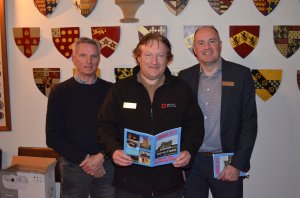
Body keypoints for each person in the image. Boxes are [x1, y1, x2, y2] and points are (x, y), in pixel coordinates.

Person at [97, 33, 204, 198]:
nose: (154, 62)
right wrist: (114, 150)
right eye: (148, 55)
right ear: (138, 57)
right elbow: (105, 125)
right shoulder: (120, 89)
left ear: (168, 59)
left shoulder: (181, 89)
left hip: (170, 183)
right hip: (129, 183)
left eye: (160, 55)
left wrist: (188, 151)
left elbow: (195, 125)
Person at [178, 26, 258, 198]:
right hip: (193, 162)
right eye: (201, 43)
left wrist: (237, 164)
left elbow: (249, 124)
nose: (207, 47)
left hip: (227, 162)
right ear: (195, 50)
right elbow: (179, 121)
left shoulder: (241, 75)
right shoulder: (184, 77)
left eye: (212, 41)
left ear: (220, 44)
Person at [46, 37, 114, 198]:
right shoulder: (60, 92)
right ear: (73, 58)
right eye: (83, 55)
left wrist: (100, 157)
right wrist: (86, 160)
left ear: (99, 59)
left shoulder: (111, 90)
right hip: (74, 166)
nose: (89, 61)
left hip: (106, 164)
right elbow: (53, 136)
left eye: (94, 56)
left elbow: (117, 129)